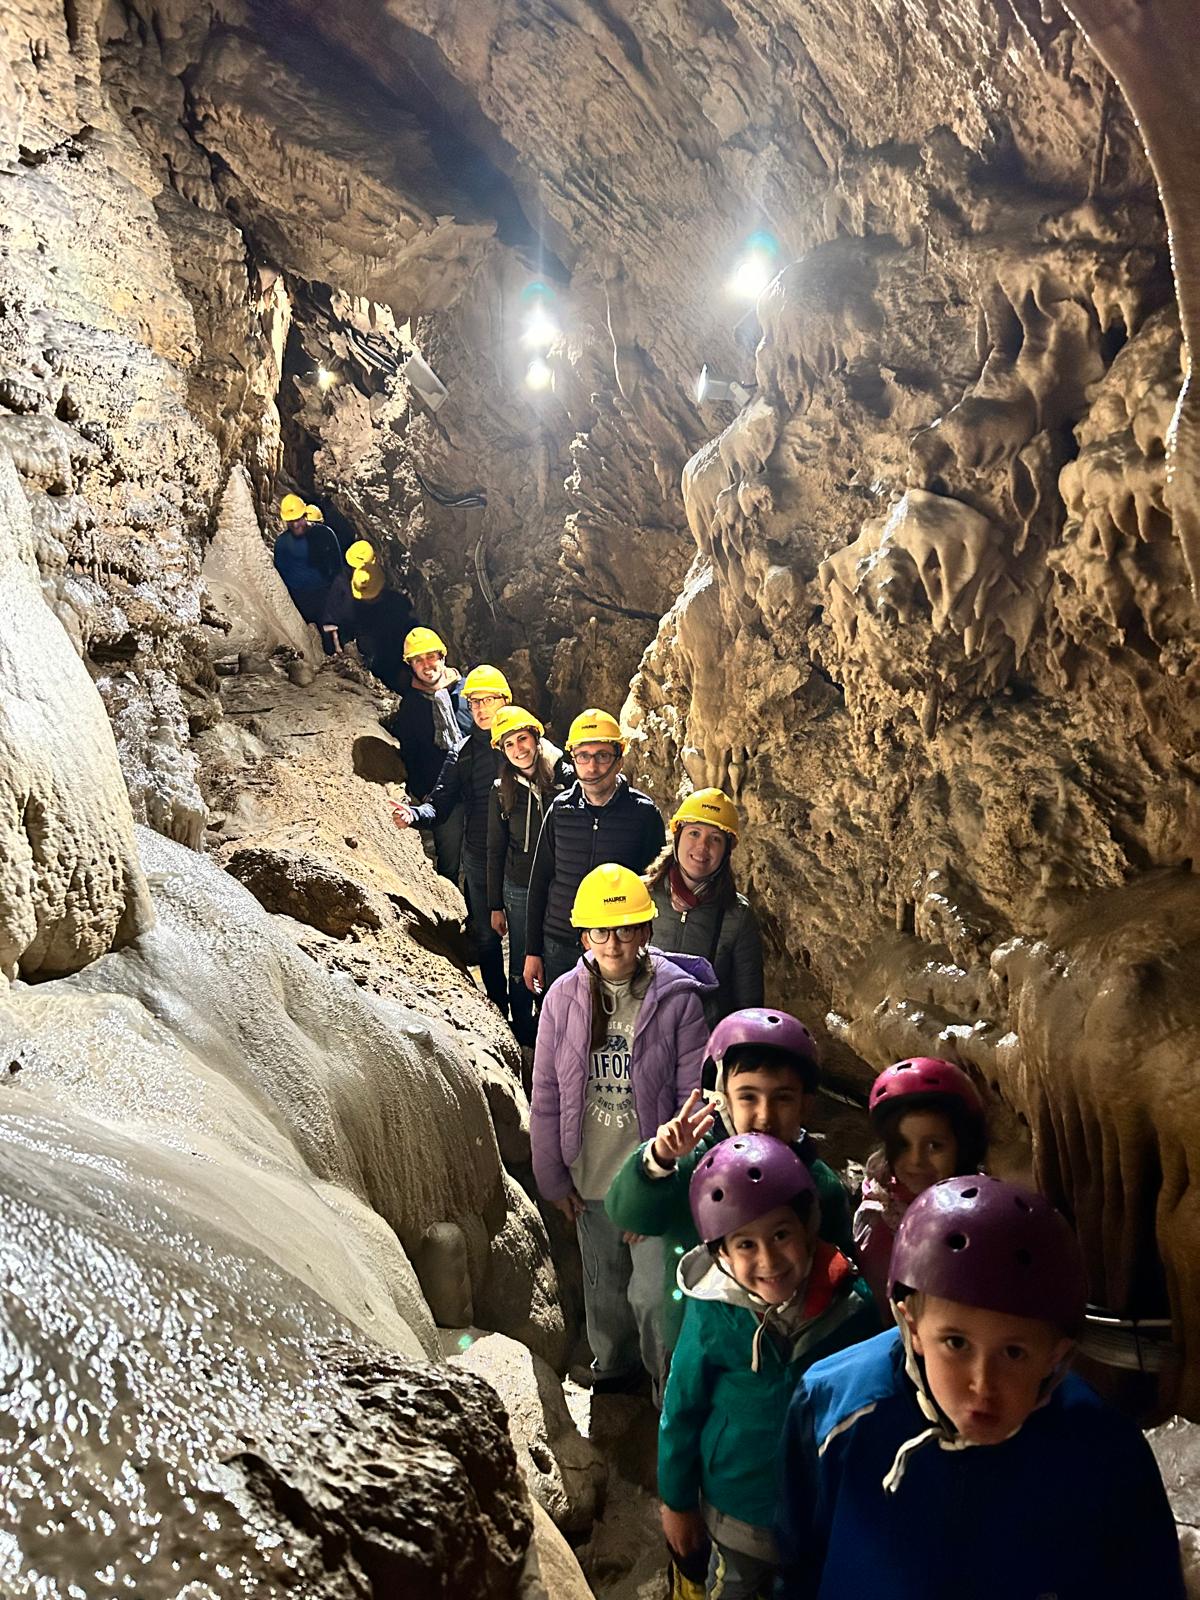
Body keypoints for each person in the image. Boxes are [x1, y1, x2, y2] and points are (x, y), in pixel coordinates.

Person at [775, 1175, 1186, 1599]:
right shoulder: (836, 1405)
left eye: (1013, 1353)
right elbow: (798, 1560)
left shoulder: (1104, 1452)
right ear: (911, 1327)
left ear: (1056, 1352)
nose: (982, 1384)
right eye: (956, 1343)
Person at [658, 1135, 875, 1600]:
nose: (769, 1259)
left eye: (781, 1234)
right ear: (721, 1255)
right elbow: (682, 1408)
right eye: (746, 1244)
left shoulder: (852, 1309)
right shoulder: (712, 1313)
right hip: (735, 1509)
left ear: (808, 1226)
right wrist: (676, 1502)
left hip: (817, 1511)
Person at [531, 864, 716, 1395]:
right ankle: (611, 1367)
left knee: (655, 1295)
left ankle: (666, 1387)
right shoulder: (563, 998)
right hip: (589, 1177)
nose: (614, 942)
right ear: (585, 935)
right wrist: (553, 1179)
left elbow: (693, 1102)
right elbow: (546, 1093)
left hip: (650, 1177)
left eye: (627, 929)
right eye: (603, 931)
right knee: (604, 1288)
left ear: (646, 932)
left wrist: (658, 1193)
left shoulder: (677, 1000)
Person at [393, 665, 512, 1015]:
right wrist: (415, 815)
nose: (481, 708)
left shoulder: (521, 745)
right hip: (479, 859)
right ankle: (499, 1009)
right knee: (487, 939)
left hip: (520, 860)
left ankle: (526, 1017)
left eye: (489, 700)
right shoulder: (463, 752)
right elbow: (440, 803)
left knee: (524, 943)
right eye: (474, 702)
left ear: (505, 701)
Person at [524, 708, 666, 996]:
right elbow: (540, 881)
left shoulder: (643, 814)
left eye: (602, 755)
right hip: (560, 942)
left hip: (616, 948)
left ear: (619, 760)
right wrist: (532, 951)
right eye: (583, 756)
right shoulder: (560, 810)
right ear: (573, 759)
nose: (592, 767)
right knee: (564, 1025)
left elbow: (654, 886)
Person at [853, 1058, 988, 1314]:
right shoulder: (880, 1214)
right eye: (902, 1144)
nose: (916, 1161)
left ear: (964, 1145)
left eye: (934, 1146)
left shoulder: (988, 1209)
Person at [486, 706, 573, 1048]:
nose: (518, 749)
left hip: (557, 885)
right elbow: (495, 849)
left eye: (523, 739)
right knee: (522, 955)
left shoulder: (563, 779)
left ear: (537, 738)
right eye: (509, 744)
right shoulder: (502, 789)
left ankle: (553, 1023)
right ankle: (523, 1031)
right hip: (520, 886)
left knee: (552, 953)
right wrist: (495, 904)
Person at [644, 790, 763, 1030]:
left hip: (703, 1047)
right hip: (643, 1038)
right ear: (677, 837)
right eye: (694, 833)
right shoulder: (639, 895)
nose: (702, 847)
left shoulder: (737, 916)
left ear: (726, 851)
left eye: (715, 839)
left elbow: (748, 1006)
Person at [386, 627, 472, 883]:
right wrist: (424, 792)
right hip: (443, 796)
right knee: (449, 861)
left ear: (442, 656)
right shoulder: (412, 706)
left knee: (484, 858)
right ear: (411, 666)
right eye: (418, 660)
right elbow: (411, 755)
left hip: (479, 789)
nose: (426, 665)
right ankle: (457, 916)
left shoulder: (469, 692)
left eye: (430, 657)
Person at [320, 541, 418, 691]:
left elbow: (407, 634)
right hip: (371, 657)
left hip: (392, 658)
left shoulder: (396, 605)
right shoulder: (346, 594)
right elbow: (333, 622)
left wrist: (405, 669)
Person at [272, 492, 343, 630]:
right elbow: (280, 572)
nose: (296, 524)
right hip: (298, 597)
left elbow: (337, 566)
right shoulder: (282, 543)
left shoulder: (325, 534)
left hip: (324, 595)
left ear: (305, 515)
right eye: (291, 521)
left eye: (299, 519)